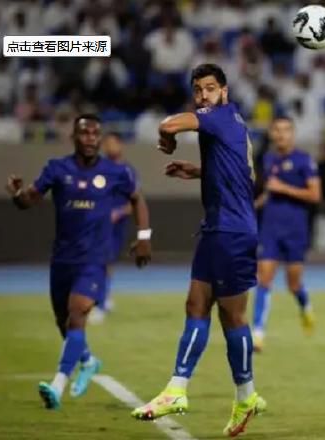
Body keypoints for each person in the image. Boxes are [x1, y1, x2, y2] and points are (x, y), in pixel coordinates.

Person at [131, 63, 266, 437]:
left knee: (232, 319)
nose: (203, 95)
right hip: (218, 228)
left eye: (209, 88)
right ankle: (179, 388)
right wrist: (198, 171)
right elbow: (239, 172)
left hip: (231, 230)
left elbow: (169, 125)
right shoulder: (231, 124)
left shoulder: (219, 116)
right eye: (198, 90)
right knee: (196, 305)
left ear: (224, 91)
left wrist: (168, 139)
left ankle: (244, 396)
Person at [5, 114, 152, 410]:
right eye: (84, 133)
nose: (90, 138)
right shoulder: (57, 169)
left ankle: (58, 384)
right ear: (74, 137)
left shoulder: (116, 172)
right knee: (64, 322)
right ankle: (87, 361)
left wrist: (144, 236)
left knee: (77, 314)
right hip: (62, 260)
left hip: (94, 259)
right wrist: (18, 194)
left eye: (95, 133)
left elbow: (137, 199)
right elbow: (29, 200)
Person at [252, 116, 321, 351]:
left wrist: (284, 188)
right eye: (277, 130)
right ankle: (258, 334)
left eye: (285, 130)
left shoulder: (304, 160)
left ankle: (305, 306)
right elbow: (270, 193)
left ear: (292, 134)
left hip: (295, 230)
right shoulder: (269, 159)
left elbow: (314, 195)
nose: (281, 134)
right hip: (270, 228)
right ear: (271, 134)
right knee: (264, 279)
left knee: (293, 285)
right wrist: (253, 206)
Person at [88, 132, 138, 324]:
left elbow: (135, 201)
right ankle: (99, 303)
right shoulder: (97, 169)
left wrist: (118, 213)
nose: (110, 147)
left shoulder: (127, 171)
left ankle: (102, 299)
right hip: (97, 224)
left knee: (106, 264)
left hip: (116, 227)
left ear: (121, 145)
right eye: (106, 143)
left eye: (113, 143)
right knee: (98, 262)